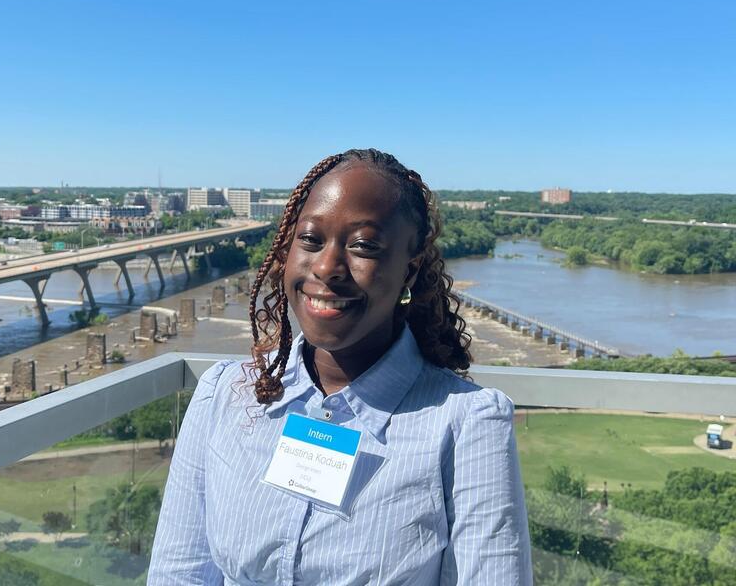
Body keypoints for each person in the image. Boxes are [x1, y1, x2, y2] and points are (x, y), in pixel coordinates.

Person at [148, 149, 532, 585]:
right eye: (310, 240)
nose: (328, 268)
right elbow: (179, 574)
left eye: (363, 246)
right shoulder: (224, 395)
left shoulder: (467, 427)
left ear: (409, 270)